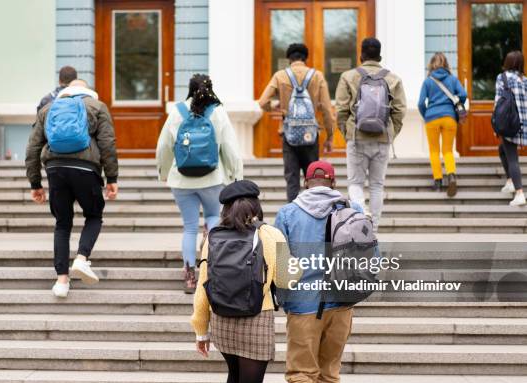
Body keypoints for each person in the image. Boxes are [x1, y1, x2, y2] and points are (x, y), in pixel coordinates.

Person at [191, 180, 288, 383]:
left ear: (225, 208)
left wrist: (200, 330)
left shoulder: (213, 236)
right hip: (257, 318)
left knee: (234, 379)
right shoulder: (271, 234)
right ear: (256, 205)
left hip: (222, 320)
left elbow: (203, 284)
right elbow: (286, 279)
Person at [274, 160, 362, 383]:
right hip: (342, 303)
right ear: (333, 182)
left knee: (301, 375)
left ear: (305, 183)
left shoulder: (288, 213)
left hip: (303, 306)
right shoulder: (352, 209)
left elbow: (279, 264)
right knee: (329, 373)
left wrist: (283, 299)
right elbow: (371, 257)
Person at [25, 79, 119, 297]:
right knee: (94, 216)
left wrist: (35, 183)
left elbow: (33, 147)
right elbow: (107, 143)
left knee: (62, 223)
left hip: (55, 168)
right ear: (87, 91)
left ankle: (62, 282)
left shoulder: (48, 109)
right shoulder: (97, 107)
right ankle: (81, 258)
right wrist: (112, 177)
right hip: (87, 169)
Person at [156, 74, 243, 293]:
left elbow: (164, 145)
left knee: (190, 227)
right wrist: (235, 176)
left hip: (182, 179)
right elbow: (230, 148)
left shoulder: (177, 111)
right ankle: (212, 270)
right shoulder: (218, 111)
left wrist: (164, 172)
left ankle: (189, 277)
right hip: (212, 178)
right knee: (214, 218)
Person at [336, 37, 407, 232]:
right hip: (382, 138)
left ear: (362, 55)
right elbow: (400, 111)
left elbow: (341, 110)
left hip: (357, 138)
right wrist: (391, 133)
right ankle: (373, 227)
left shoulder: (349, 76)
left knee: (355, 183)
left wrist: (347, 133)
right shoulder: (393, 78)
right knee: (377, 185)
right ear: (379, 55)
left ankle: (360, 217)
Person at [258, 43, 335, 202]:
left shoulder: (280, 75)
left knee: (292, 179)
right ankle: (313, 212)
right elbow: (327, 109)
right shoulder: (317, 76)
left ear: (289, 59)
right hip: (310, 135)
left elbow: (262, 102)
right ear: (305, 58)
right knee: (314, 178)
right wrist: (330, 137)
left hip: (289, 134)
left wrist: (275, 106)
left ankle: (292, 215)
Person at [418, 52, 467, 196]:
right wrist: (457, 105)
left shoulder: (428, 81)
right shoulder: (452, 79)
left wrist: (426, 114)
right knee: (447, 150)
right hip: (449, 117)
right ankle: (451, 175)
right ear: (446, 64)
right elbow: (463, 94)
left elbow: (420, 102)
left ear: (431, 64)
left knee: (434, 151)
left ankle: (438, 181)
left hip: (431, 118)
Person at [495, 51, 526, 206]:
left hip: (509, 123)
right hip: (522, 124)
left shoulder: (502, 78)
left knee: (512, 158)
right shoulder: (524, 80)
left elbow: (498, 102)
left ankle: (519, 192)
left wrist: (496, 125)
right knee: (502, 150)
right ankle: (510, 181)